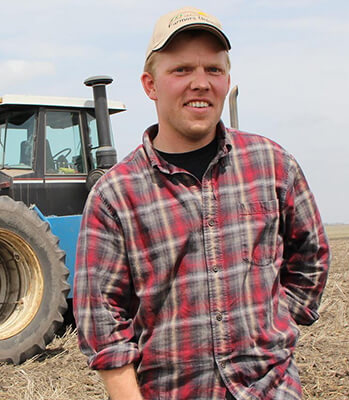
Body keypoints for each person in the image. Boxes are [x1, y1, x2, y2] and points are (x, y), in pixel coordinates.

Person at [73, 6, 330, 400]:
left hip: (271, 390)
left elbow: (311, 256)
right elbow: (102, 317)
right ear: (150, 84)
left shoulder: (272, 165)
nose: (201, 83)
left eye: (214, 69)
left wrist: (278, 322)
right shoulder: (115, 195)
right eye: (181, 71)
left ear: (227, 80)